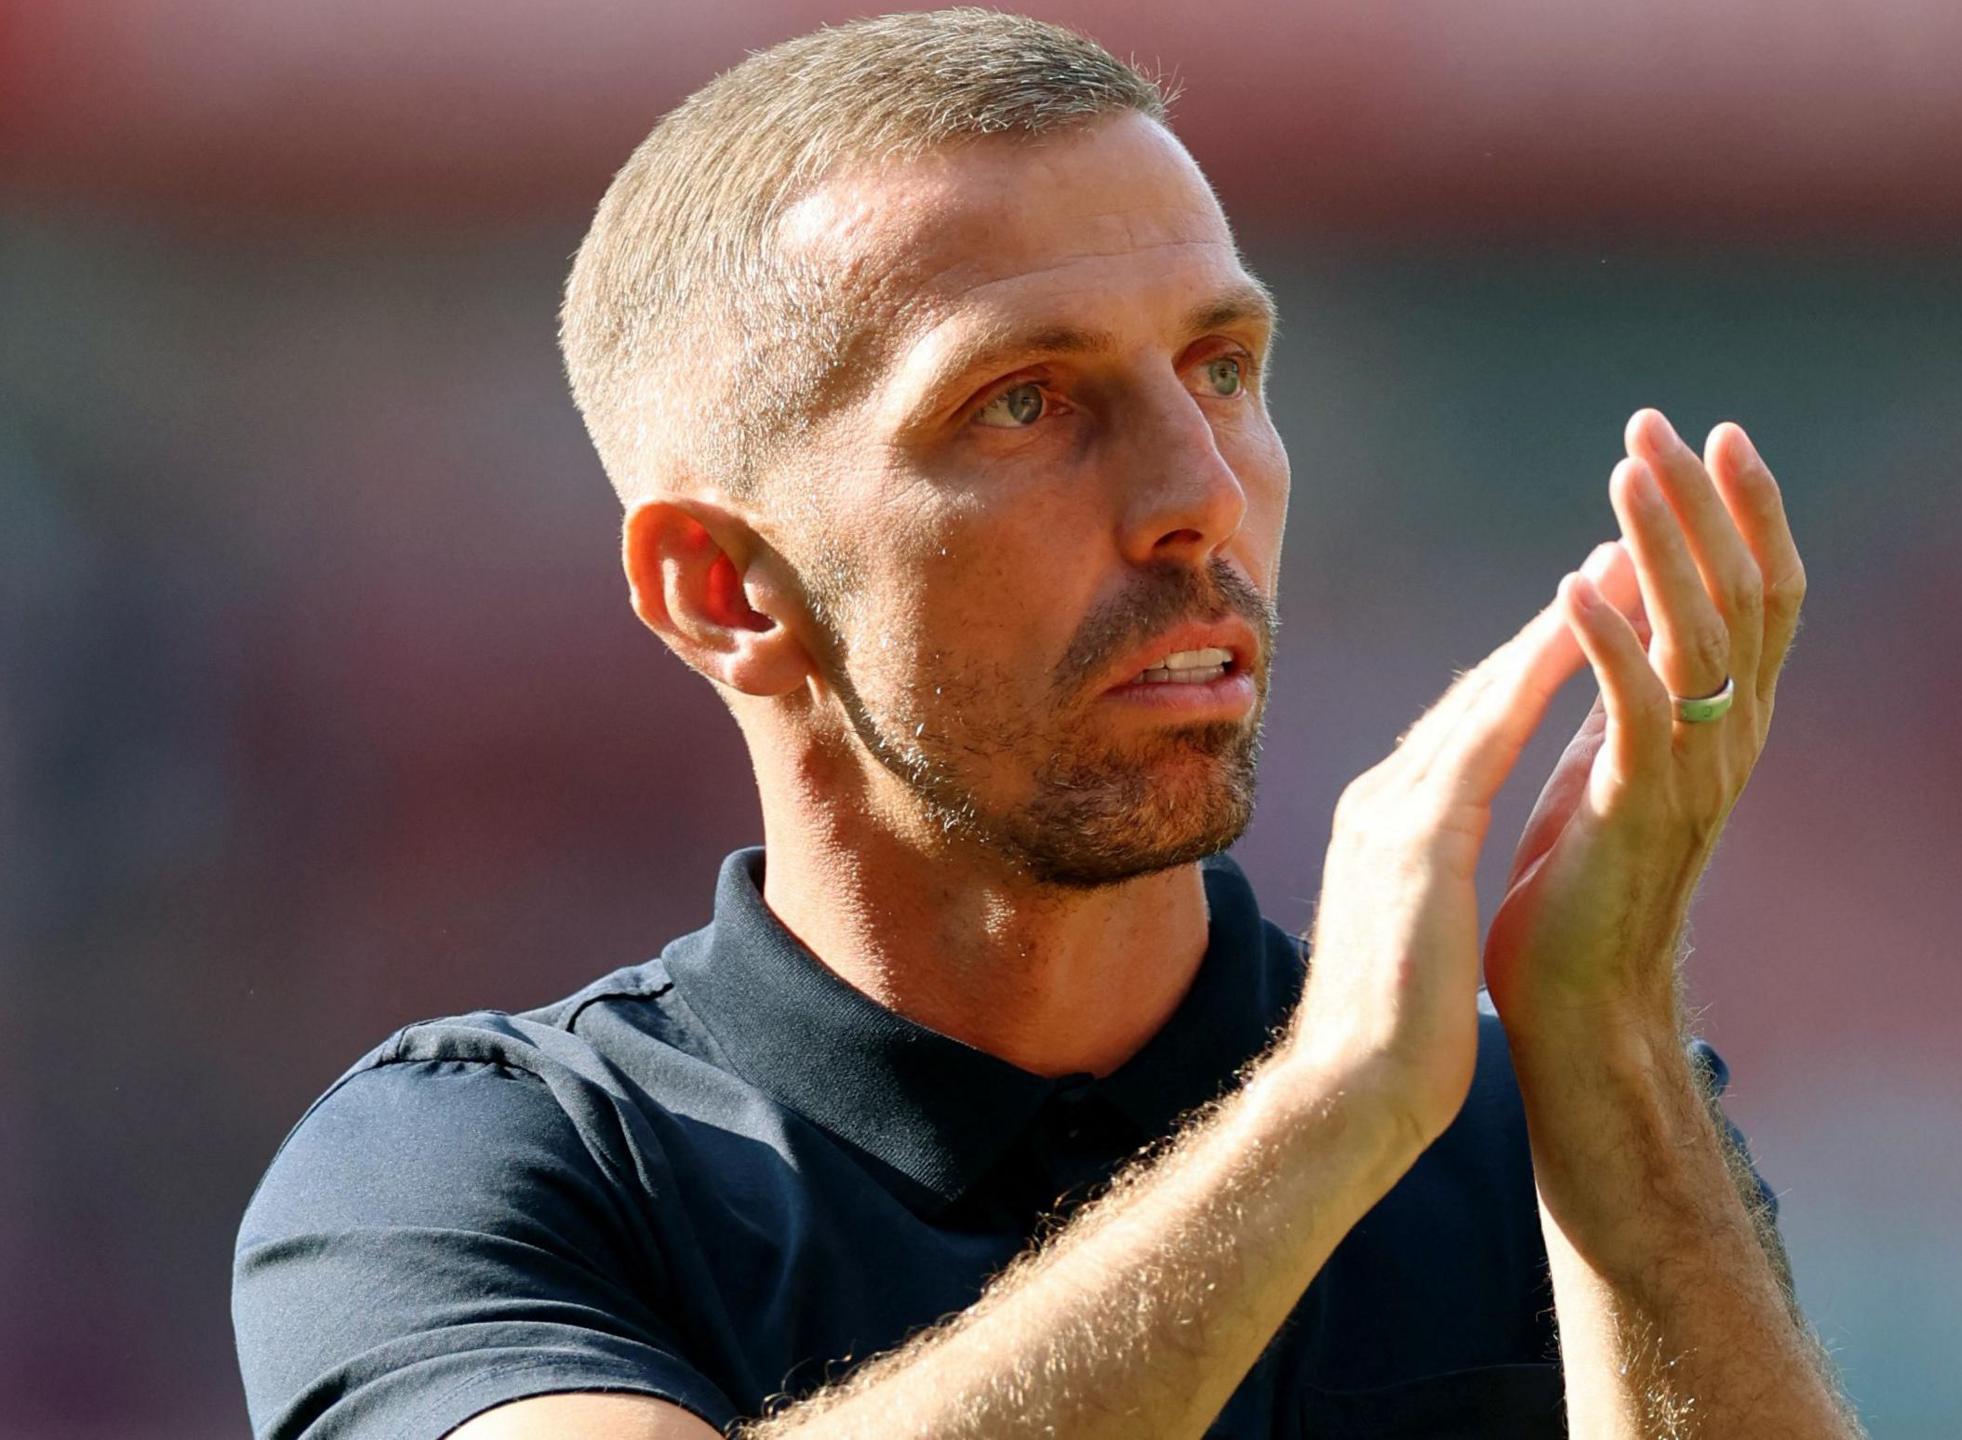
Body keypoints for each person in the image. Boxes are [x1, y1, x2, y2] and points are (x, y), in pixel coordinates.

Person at [231, 11, 1857, 1438]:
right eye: (1027, 401)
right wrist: (1322, 1118)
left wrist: (1615, 1051)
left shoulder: (1551, 1127)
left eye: (1223, 370)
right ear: (725, 584)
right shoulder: (487, 1168)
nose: (1199, 499)